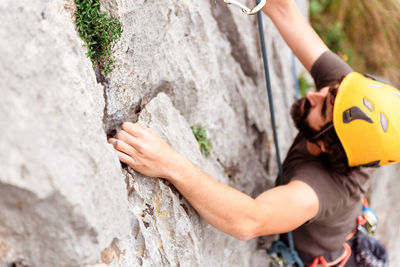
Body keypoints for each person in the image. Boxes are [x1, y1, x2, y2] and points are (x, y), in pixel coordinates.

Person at [108, 0, 400, 265]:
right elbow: (284, 11)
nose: (316, 95)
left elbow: (249, 220)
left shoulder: (322, 189)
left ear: (328, 146)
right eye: (330, 92)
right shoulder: (347, 102)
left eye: (323, 109)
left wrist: (168, 163)